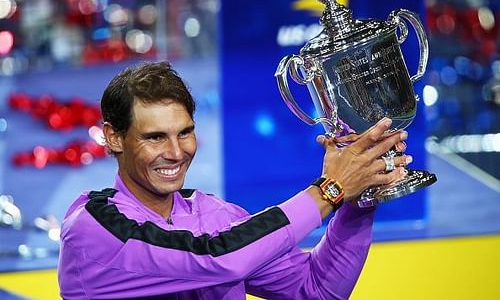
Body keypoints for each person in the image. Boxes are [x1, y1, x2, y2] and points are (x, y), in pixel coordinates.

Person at [58, 61, 410, 299]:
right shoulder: (92, 227)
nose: (176, 152)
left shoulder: (215, 215)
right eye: (155, 137)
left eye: (185, 133)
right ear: (115, 137)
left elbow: (316, 289)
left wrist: (360, 194)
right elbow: (213, 258)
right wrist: (329, 191)